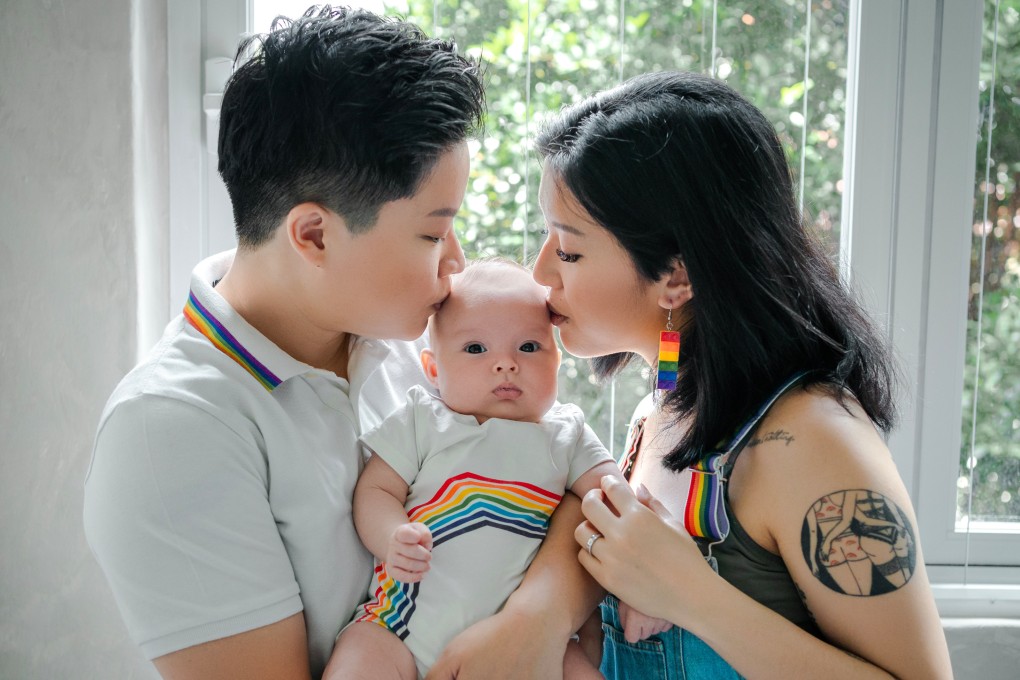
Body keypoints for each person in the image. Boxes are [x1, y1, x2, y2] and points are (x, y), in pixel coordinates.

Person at [83, 8, 597, 679]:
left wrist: (538, 619)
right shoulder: (171, 432)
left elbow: (569, 484)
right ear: (314, 235)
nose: (456, 264)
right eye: (432, 233)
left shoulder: (414, 341)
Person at [530, 71, 954, 678]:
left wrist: (692, 594)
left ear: (677, 276)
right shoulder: (658, 412)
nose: (541, 272)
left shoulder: (812, 438)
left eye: (568, 250)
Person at [326, 259, 617, 679]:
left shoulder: (566, 433)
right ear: (433, 369)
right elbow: (376, 492)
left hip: (523, 645)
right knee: (359, 657)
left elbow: (615, 503)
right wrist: (391, 536)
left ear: (556, 360)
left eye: (528, 347)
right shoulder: (422, 419)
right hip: (399, 627)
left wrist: (636, 594)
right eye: (477, 349)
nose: (506, 364)